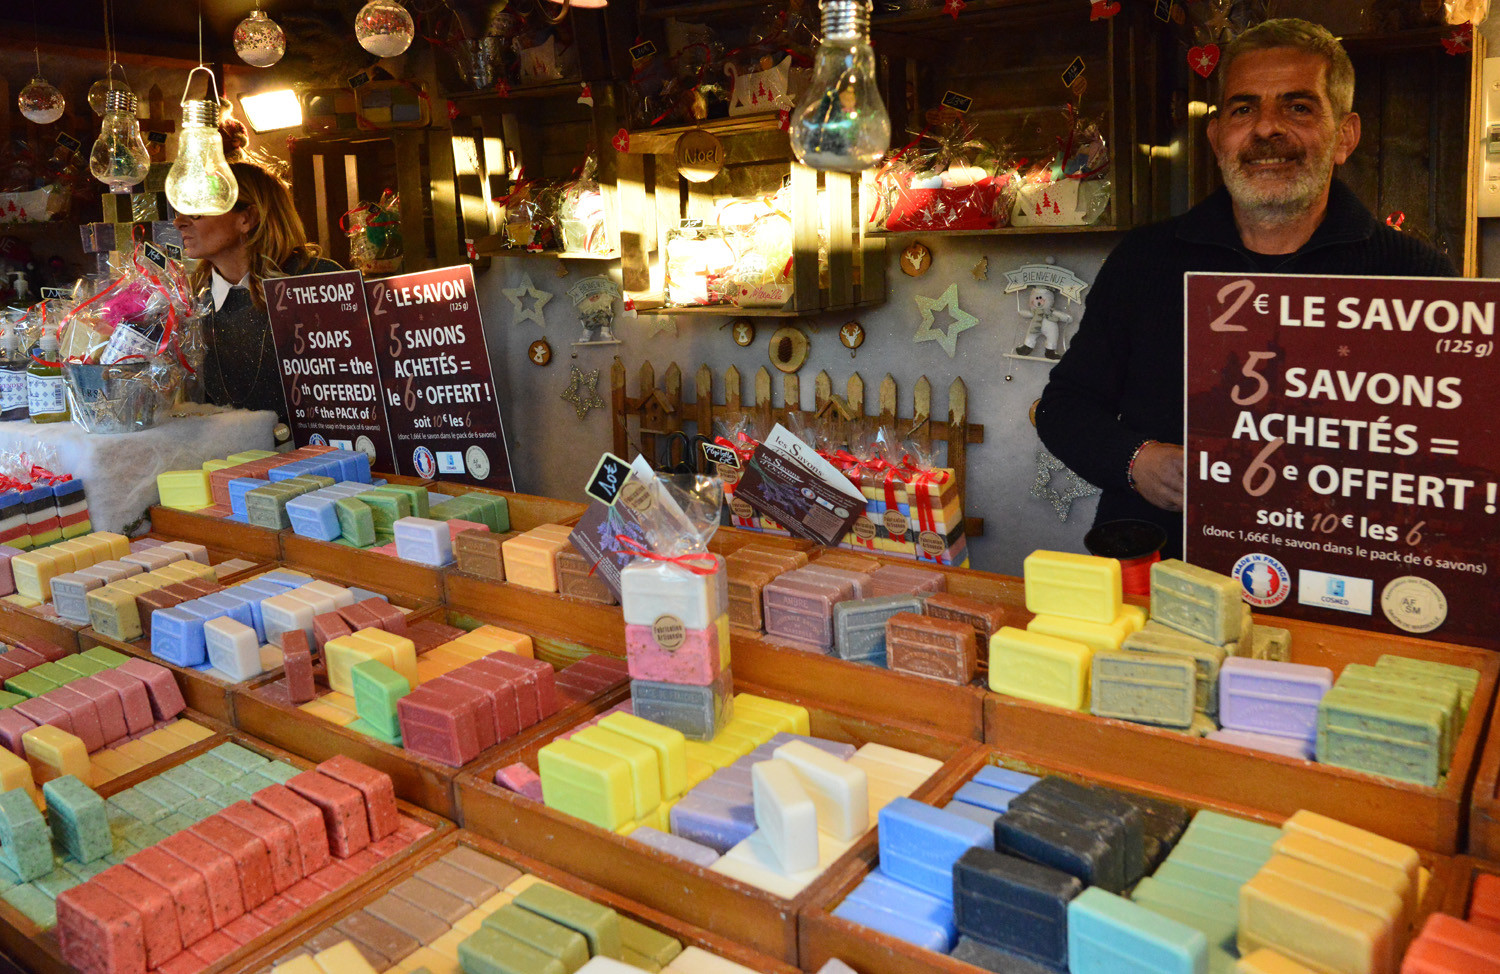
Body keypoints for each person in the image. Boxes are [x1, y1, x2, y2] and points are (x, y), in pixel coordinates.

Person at [1035, 17, 1452, 560]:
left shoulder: (1416, 280)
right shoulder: (1143, 261)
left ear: (1345, 136)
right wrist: (1135, 460)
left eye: (1298, 107)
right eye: (1243, 108)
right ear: (1216, 137)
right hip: (1156, 574)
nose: (1266, 129)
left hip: (1338, 585)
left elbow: (1449, 455)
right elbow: (1064, 406)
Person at [176, 161, 341, 425]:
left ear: (247, 218)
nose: (179, 222)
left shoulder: (316, 280)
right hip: (227, 459)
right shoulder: (190, 298)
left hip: (320, 456)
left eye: (197, 213)